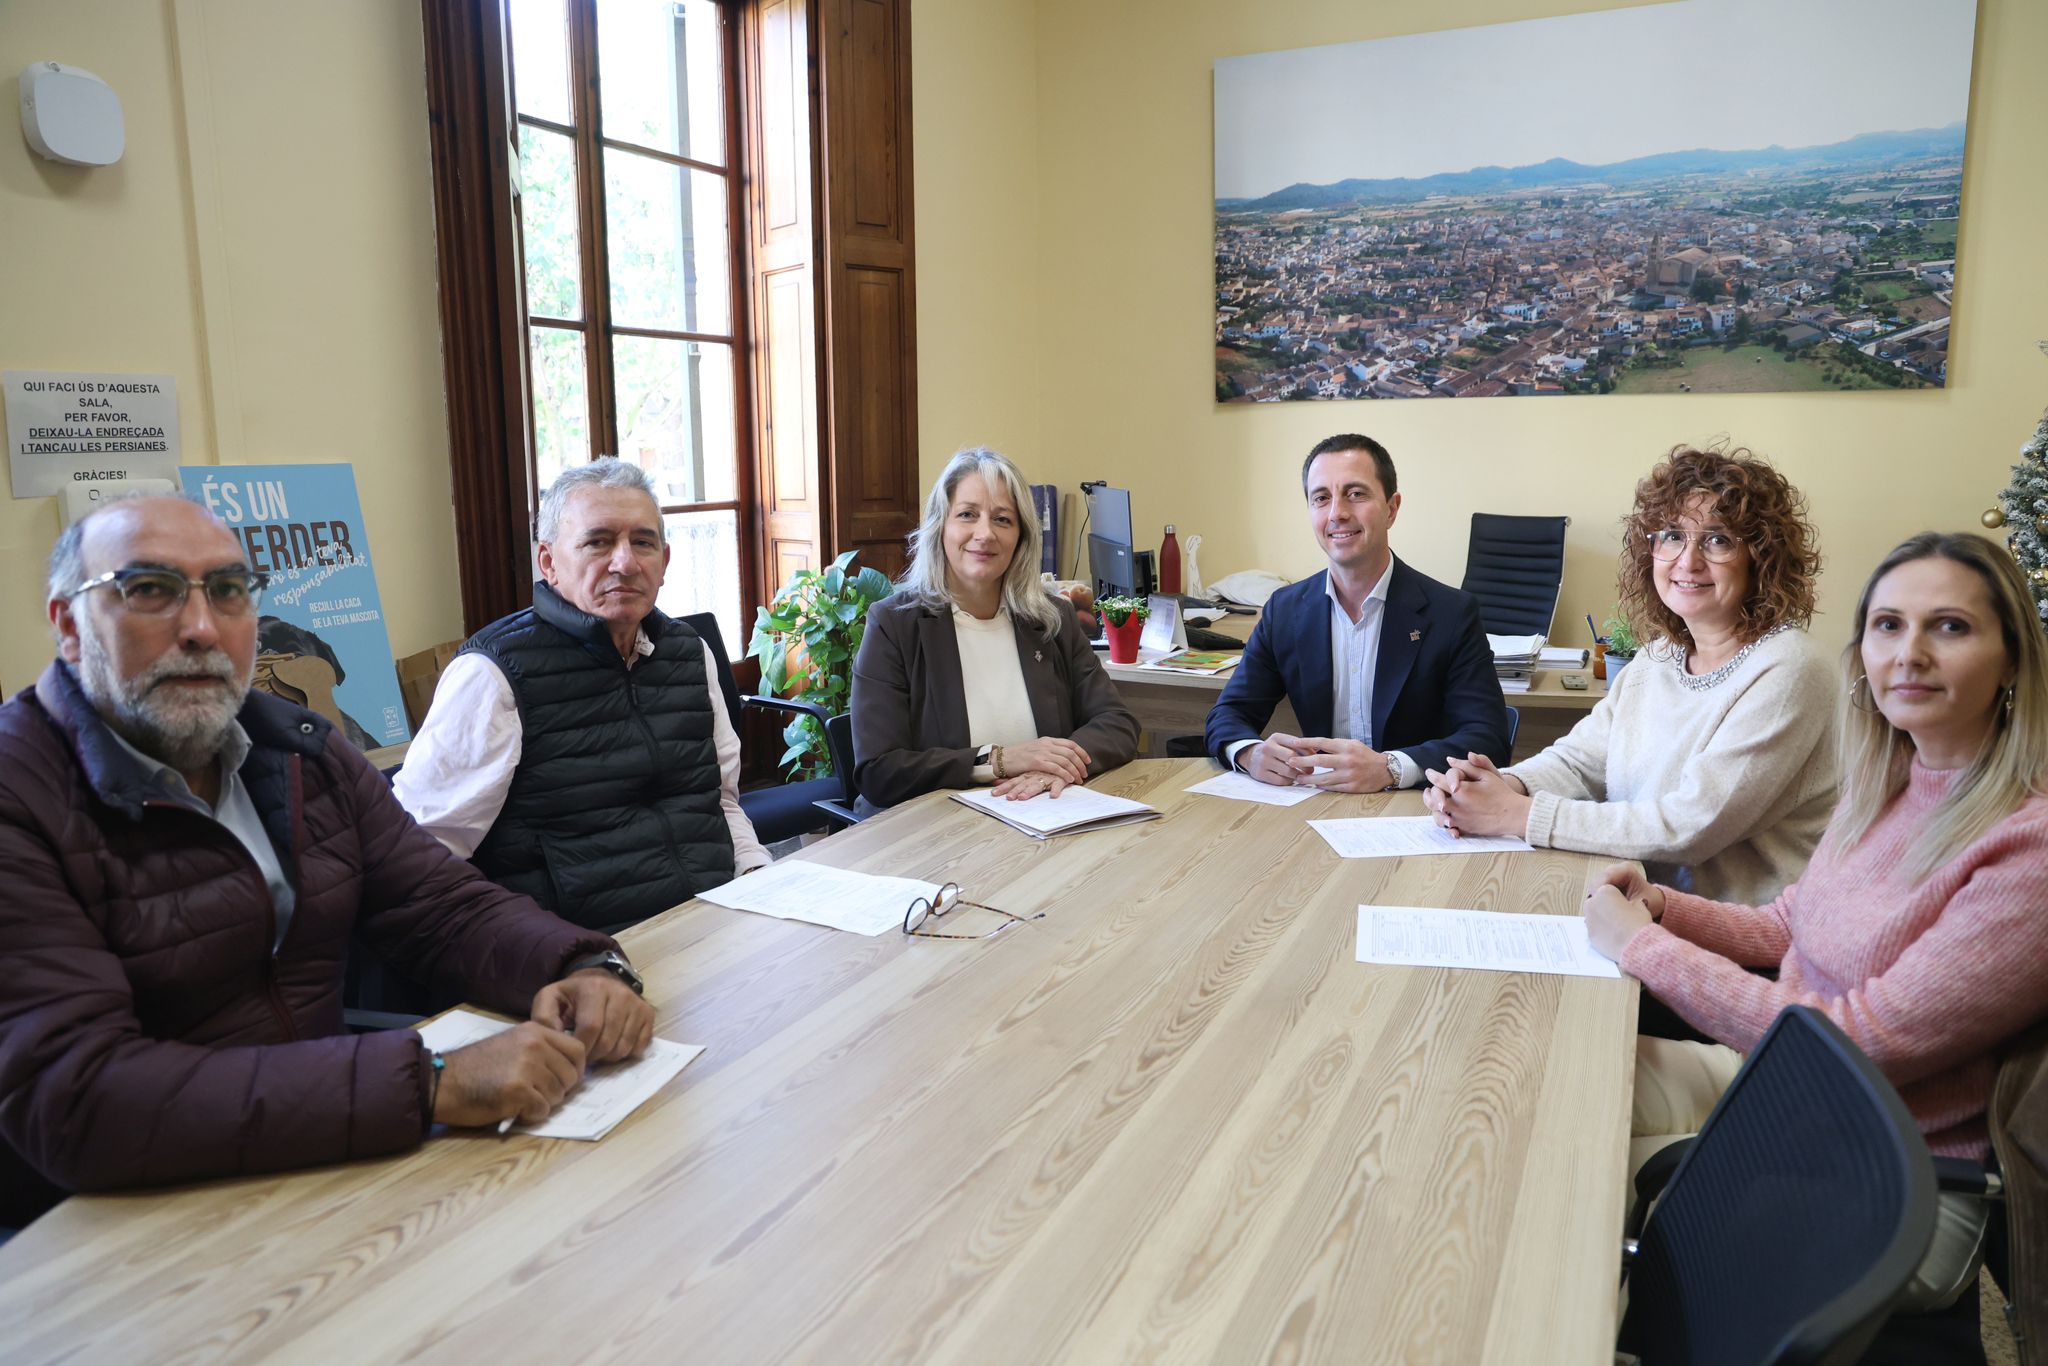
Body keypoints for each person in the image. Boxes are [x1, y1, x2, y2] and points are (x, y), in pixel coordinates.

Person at [0, 495, 656, 1229]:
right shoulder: (18, 792)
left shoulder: (300, 748)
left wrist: (582, 965)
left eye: (228, 591)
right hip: (113, 1223)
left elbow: (442, 906)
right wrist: (426, 1082)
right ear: (67, 627)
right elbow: (79, 1096)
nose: (201, 628)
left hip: (324, 1163)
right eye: (148, 591)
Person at [1585, 531, 2048, 1310]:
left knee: (1573, 1180)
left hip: (1884, 1161)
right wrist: (1665, 906)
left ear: (2012, 660)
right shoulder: (1891, 782)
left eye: (1952, 627)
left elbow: (1855, 1045)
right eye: (1889, 625)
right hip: (1787, 1092)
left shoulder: (2026, 851)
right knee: (1552, 1100)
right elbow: (1789, 923)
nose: (1910, 654)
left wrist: (1646, 949)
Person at [1424, 446, 1837, 904]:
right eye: (1673, 536)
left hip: (1745, 942)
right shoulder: (1659, 656)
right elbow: (1580, 760)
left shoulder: (1790, 669)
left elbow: (1690, 827)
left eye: (1718, 539)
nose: (1688, 560)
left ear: (1761, 558)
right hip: (1640, 908)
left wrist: (1518, 814)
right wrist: (1500, 786)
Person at [397, 458, 769, 931]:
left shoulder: (689, 654)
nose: (625, 562)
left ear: (665, 561)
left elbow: (719, 802)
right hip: (581, 955)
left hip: (712, 924)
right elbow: (421, 856)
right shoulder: (491, 676)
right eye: (598, 541)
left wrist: (758, 877)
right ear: (549, 562)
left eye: (643, 542)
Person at [1204, 433, 1509, 791]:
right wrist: (1249, 753)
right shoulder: (1284, 610)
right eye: (1321, 498)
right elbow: (1228, 714)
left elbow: (1487, 738)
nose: (1337, 513)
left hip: (1418, 811)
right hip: (1315, 806)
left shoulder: (1451, 613)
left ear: (1392, 508)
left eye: (1356, 494)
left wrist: (1390, 767)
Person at [851, 446, 1140, 809]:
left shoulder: (1052, 619)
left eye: (1003, 519)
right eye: (967, 514)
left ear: (1021, 537)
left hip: (1039, 818)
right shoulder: (894, 625)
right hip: (929, 829)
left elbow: (1117, 722)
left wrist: (1057, 767)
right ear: (941, 526)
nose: (984, 533)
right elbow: (880, 771)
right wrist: (997, 760)